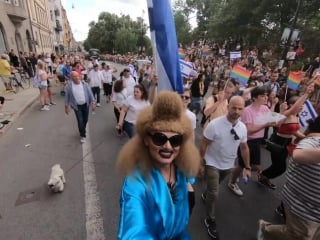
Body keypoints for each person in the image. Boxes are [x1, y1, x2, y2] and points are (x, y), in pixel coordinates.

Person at [117, 91, 201, 239]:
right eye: (159, 138)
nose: (168, 147)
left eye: (175, 140)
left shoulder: (180, 169)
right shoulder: (135, 183)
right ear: (146, 140)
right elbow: (134, 232)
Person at [257, 116, 320, 240]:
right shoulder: (312, 141)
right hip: (305, 207)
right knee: (300, 235)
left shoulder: (296, 116)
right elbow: (298, 155)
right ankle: (265, 228)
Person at [200, 96, 251, 239]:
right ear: (228, 107)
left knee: (214, 188)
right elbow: (204, 144)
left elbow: (244, 148)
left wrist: (247, 167)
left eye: (240, 108)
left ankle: (207, 194)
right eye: (233, 107)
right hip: (212, 163)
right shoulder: (215, 124)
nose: (236, 111)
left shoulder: (242, 127)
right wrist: (200, 163)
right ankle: (210, 219)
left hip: (228, 165)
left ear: (243, 110)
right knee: (215, 193)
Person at [258, 83, 314, 189]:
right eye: (300, 105)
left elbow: (296, 132)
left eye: (302, 106)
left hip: (286, 144)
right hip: (278, 142)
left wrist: (308, 138)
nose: (302, 107)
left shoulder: (296, 117)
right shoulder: (287, 114)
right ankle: (263, 175)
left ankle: (265, 177)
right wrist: (306, 93)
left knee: (278, 166)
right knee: (280, 167)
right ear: (292, 105)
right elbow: (294, 127)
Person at [229, 87, 276, 196]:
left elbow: (271, 117)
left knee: (255, 166)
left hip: (257, 141)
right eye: (262, 96)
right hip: (247, 142)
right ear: (254, 98)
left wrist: (275, 106)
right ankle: (232, 182)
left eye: (266, 95)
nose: (265, 97)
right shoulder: (247, 111)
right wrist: (265, 125)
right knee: (241, 165)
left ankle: (243, 170)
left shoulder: (264, 108)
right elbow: (248, 131)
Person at [64, 71, 96, 143]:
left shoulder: (85, 84)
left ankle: (82, 129)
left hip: (85, 105)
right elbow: (67, 97)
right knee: (80, 121)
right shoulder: (69, 86)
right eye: (74, 76)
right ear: (71, 78)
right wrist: (66, 107)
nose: (77, 77)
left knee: (85, 119)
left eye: (77, 76)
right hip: (77, 106)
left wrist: (93, 102)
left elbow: (90, 94)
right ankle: (83, 135)